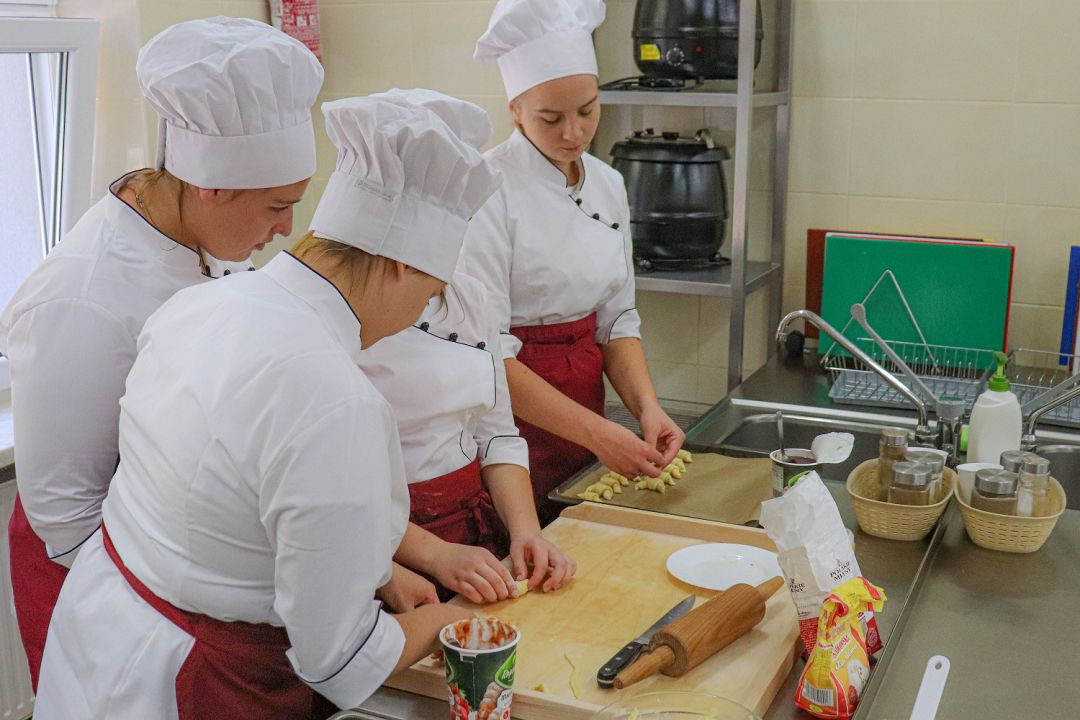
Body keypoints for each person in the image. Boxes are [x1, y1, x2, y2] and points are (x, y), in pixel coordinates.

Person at [33, 96, 501, 719]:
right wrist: (448, 619)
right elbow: (339, 661)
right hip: (200, 677)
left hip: (105, 626)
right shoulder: (339, 400)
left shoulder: (203, 303)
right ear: (399, 266)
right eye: (429, 293)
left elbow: (231, 502)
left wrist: (378, 571)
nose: (419, 314)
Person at [0, 16, 322, 689]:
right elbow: (65, 519)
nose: (287, 228)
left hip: (185, 571)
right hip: (103, 590)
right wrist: (203, 588)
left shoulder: (206, 236)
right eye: (276, 207)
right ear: (212, 186)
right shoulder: (80, 301)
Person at [352, 89, 575, 605]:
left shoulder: (469, 294)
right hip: (384, 551)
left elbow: (497, 433)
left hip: (474, 535)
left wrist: (527, 532)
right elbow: (332, 491)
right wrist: (432, 556)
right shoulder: (338, 325)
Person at [467, 0, 685, 524]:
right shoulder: (485, 189)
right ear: (516, 109)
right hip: (509, 418)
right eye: (551, 118)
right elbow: (486, 355)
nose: (573, 133)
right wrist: (598, 432)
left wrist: (646, 409)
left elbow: (616, 320)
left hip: (587, 406)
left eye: (587, 110)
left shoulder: (608, 183)